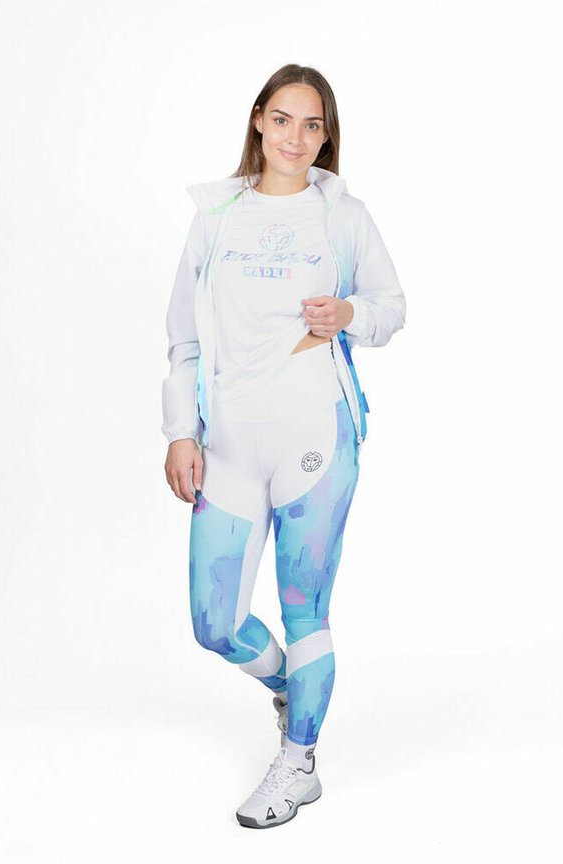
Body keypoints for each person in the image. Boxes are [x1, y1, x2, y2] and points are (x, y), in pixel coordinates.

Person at [161, 63, 406, 828]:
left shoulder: (343, 217)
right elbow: (184, 339)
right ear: (258, 121)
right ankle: (289, 689)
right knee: (213, 622)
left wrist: (351, 314)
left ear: (326, 137)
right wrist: (180, 431)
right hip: (229, 448)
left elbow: (390, 306)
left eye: (313, 125)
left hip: (315, 441)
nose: (296, 137)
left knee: (306, 609)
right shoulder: (217, 217)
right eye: (283, 119)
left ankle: (299, 762)